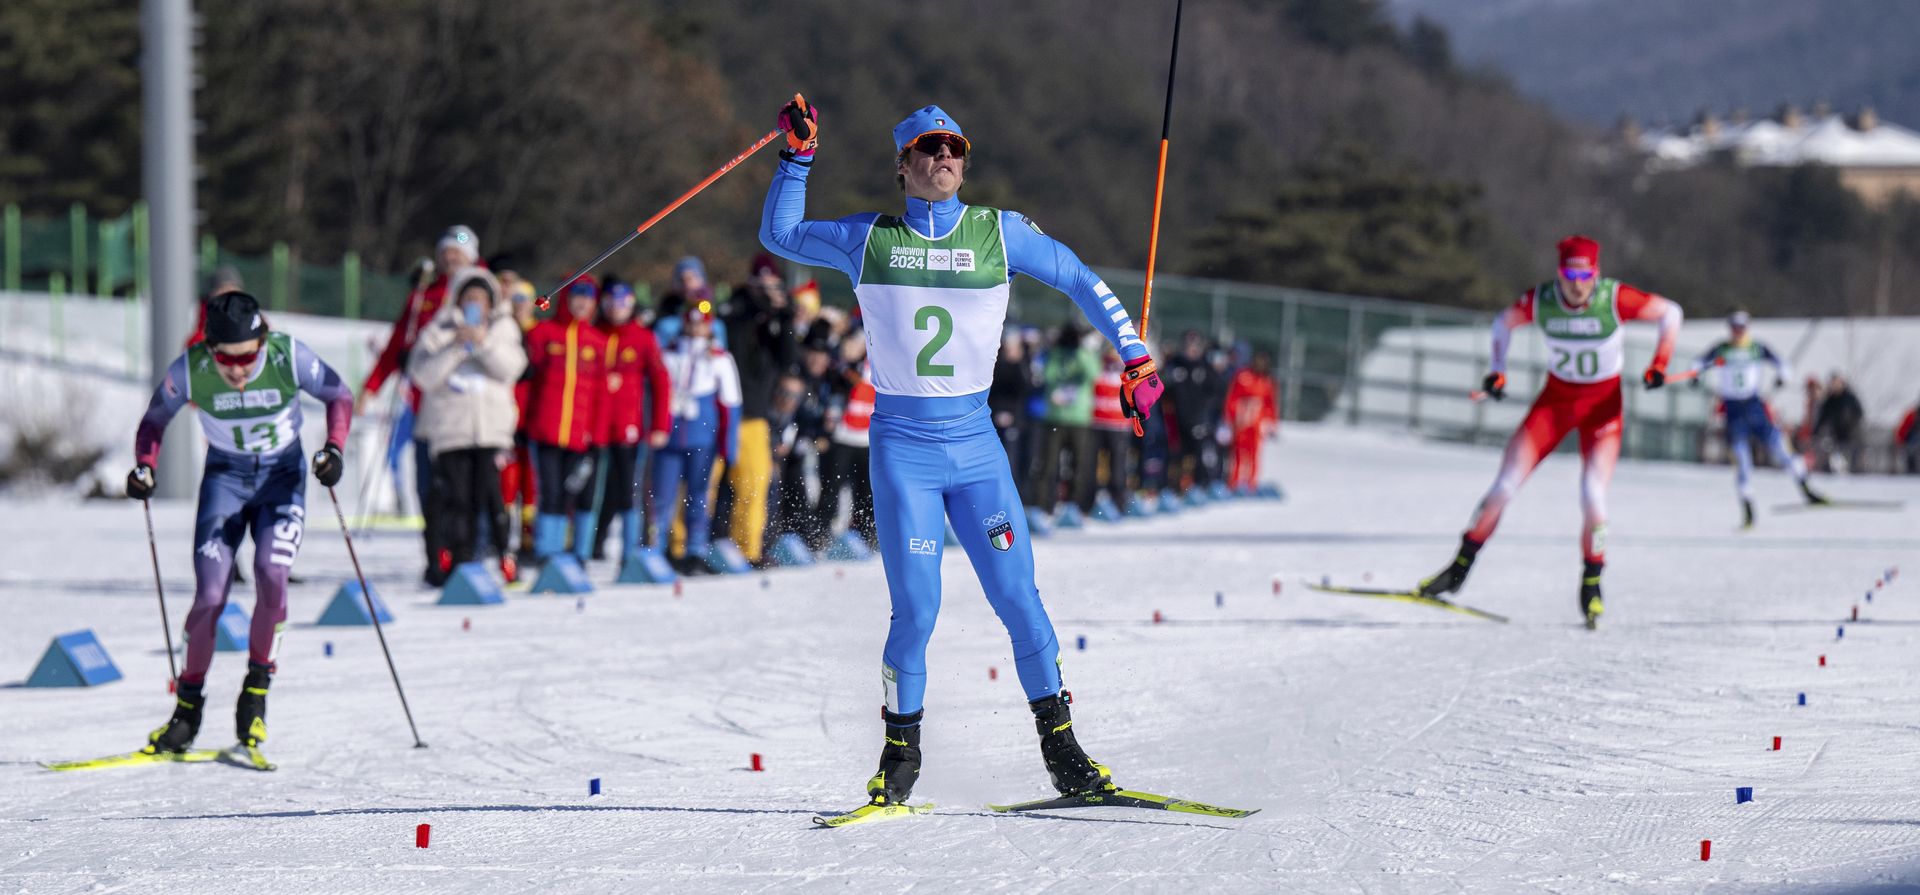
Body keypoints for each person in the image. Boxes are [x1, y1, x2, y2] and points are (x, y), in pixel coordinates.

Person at [758, 97, 1164, 808]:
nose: (944, 158)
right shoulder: (869, 238)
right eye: (928, 149)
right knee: (916, 610)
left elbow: (1077, 276)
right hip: (904, 450)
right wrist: (798, 157)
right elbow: (781, 232)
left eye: (954, 149)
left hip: (976, 450)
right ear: (903, 165)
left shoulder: (999, 234)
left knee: (1018, 597)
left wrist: (1132, 352)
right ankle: (899, 757)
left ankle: (1064, 750)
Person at [127, 291, 352, 757]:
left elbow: (338, 394)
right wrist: (145, 466)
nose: (238, 370)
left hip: (281, 478)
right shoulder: (191, 368)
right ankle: (186, 711)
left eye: (248, 357)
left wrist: (333, 449)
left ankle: (255, 694)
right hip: (226, 481)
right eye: (226, 360)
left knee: (272, 574)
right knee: (210, 595)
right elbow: (154, 420)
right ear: (210, 350)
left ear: (262, 342)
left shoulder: (287, 355)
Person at [1416, 235, 1681, 629]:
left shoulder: (1614, 298)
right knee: (1504, 486)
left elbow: (1670, 313)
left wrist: (1660, 362)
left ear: (1596, 273)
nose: (1578, 284)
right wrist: (1497, 370)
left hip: (1603, 409)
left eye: (1586, 274)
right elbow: (1502, 323)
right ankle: (1458, 569)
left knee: (1593, 496)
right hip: (1554, 404)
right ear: (1560, 273)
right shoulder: (1541, 301)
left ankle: (1592, 584)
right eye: (1570, 274)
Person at [360, 225, 482, 580]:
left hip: (463, 407)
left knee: (462, 486)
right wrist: (371, 387)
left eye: (458, 252)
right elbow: (398, 343)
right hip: (424, 404)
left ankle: (465, 554)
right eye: (446, 251)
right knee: (428, 485)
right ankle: (435, 557)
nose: (451, 258)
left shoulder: (479, 292)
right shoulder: (425, 295)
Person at [408, 268, 528, 584]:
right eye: (469, 298)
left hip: (492, 431)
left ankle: (502, 557)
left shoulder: (503, 328)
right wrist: (457, 346)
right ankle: (456, 561)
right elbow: (423, 376)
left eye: (481, 299)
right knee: (455, 500)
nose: (475, 304)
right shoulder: (440, 329)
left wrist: (483, 342)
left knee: (491, 499)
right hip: (450, 431)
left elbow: (512, 368)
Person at [1686, 311, 1825, 526]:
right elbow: (1697, 364)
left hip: (1754, 406)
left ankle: (1806, 489)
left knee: (1781, 449)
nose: (1738, 332)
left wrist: (1782, 378)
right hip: (1733, 411)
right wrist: (1694, 376)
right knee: (1742, 462)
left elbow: (1783, 365)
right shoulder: (1721, 349)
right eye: (1734, 327)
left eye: (1741, 327)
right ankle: (1748, 509)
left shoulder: (1757, 348)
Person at [523, 276, 610, 565]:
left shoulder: (597, 342)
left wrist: (597, 437)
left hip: (581, 436)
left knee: (576, 494)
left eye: (588, 299)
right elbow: (526, 384)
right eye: (577, 296)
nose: (582, 303)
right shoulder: (544, 334)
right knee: (550, 492)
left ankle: (579, 552)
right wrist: (522, 424)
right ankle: (547, 551)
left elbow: (601, 394)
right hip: (546, 431)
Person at [651, 300, 741, 575]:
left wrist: (729, 445)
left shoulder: (720, 358)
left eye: (702, 323)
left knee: (698, 496)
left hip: (703, 438)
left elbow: (731, 404)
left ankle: (695, 551)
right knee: (662, 497)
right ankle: (657, 549)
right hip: (670, 437)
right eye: (691, 322)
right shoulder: (668, 353)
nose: (696, 328)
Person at [721, 253, 799, 565]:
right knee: (705, 486)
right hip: (722, 413)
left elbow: (788, 360)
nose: (767, 291)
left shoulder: (774, 320)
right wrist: (762, 307)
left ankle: (747, 549)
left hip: (754, 416)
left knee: (754, 485)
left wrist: (785, 316)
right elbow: (735, 334)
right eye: (762, 285)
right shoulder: (736, 308)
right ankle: (686, 548)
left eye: (773, 285)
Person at [589, 280, 672, 566]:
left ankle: (630, 552)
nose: (616, 310)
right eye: (611, 303)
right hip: (594, 428)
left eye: (623, 303)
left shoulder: (642, 337)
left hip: (628, 427)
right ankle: (588, 547)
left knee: (628, 490)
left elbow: (661, 381)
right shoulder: (595, 332)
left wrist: (660, 425)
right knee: (593, 489)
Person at [1030, 323, 1100, 513]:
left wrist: (1082, 351)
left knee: (1079, 465)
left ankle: (1075, 507)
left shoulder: (1086, 355)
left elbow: (1093, 374)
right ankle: (1043, 505)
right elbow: (1048, 375)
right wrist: (1058, 352)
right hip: (1055, 417)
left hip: (1079, 419)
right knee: (1048, 465)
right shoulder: (1055, 355)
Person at [818, 333, 879, 548]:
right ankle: (821, 533)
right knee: (832, 488)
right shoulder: (843, 367)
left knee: (866, 491)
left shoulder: (878, 363)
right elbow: (835, 382)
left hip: (867, 438)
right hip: (843, 436)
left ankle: (866, 533)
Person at [1163, 330, 1222, 492]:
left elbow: (1214, 393)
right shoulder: (1175, 365)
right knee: (1176, 455)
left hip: (1198, 420)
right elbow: (1163, 387)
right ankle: (1173, 487)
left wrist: (1204, 417)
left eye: (1195, 346)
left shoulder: (1205, 368)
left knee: (1199, 454)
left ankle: (1200, 486)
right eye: (1189, 346)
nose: (1192, 349)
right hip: (1177, 419)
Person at [1223, 349, 1279, 492]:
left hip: (1256, 423)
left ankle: (1251, 484)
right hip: (1241, 422)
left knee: (1254, 454)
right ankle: (1234, 483)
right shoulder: (1243, 376)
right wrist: (1230, 417)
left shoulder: (1267, 381)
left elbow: (1270, 403)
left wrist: (1271, 422)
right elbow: (1232, 397)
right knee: (1238, 453)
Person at [1088, 344, 1135, 512]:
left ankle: (1119, 502)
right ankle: (1090, 502)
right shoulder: (1097, 364)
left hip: (1119, 424)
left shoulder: (1128, 366)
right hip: (1098, 422)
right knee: (1092, 465)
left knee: (1118, 466)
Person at [1814, 373, 1866, 473]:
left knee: (1853, 463)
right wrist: (1816, 431)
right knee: (1837, 462)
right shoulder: (1830, 400)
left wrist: (1850, 422)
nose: (1834, 386)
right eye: (1832, 383)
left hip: (1852, 436)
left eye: (1836, 383)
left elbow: (1859, 413)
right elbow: (1822, 417)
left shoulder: (1850, 398)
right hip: (1837, 437)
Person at [1897, 397, 1920, 474]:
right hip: (1911, 442)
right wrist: (1900, 441)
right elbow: (1903, 429)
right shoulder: (1912, 415)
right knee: (1911, 455)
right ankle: (1911, 472)